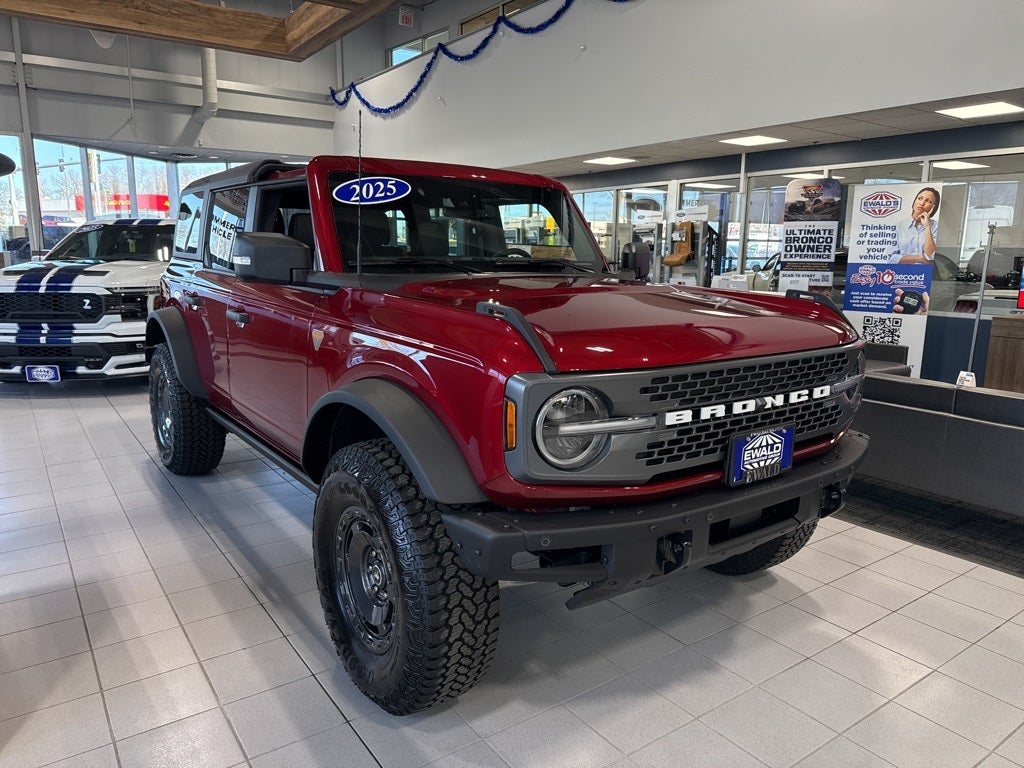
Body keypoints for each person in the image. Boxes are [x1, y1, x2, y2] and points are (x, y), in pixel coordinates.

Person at [887, 187, 939, 264]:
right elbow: (891, 258)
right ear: (914, 201)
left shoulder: (935, 226)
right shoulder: (899, 226)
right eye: (920, 198)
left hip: (925, 273)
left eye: (928, 201)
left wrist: (927, 227)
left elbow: (930, 256)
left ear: (933, 207)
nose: (922, 203)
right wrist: (920, 258)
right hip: (902, 273)